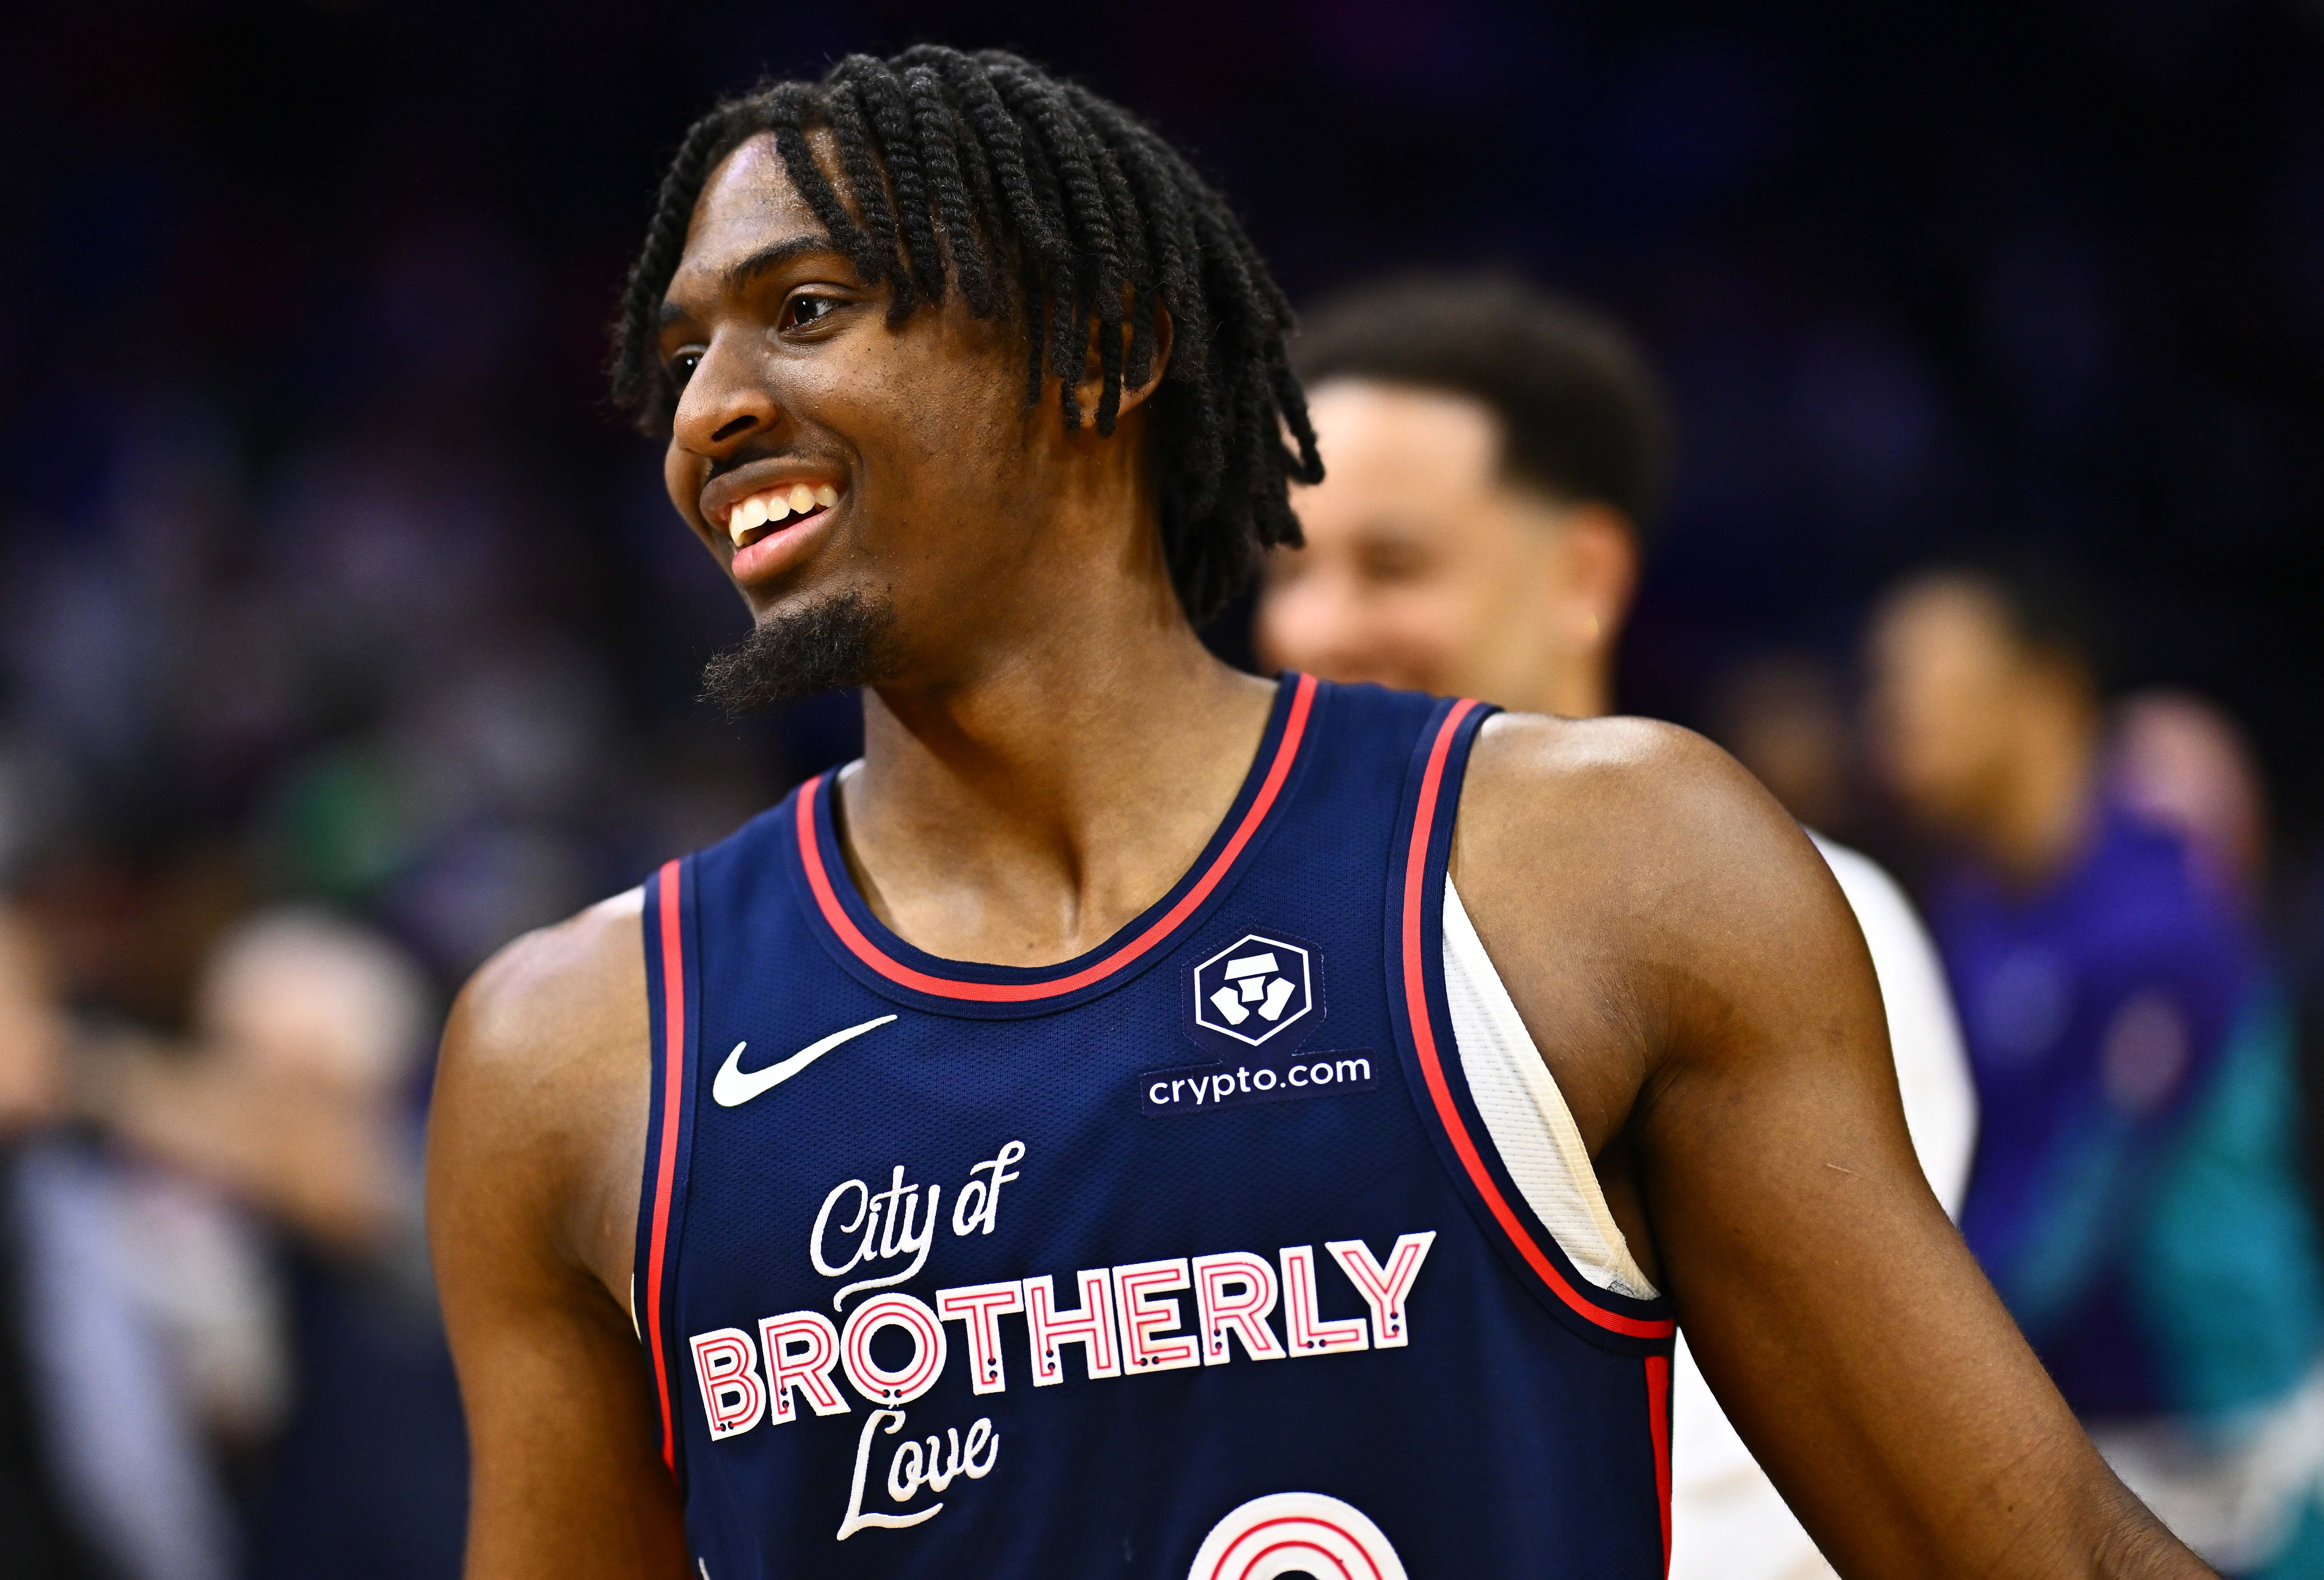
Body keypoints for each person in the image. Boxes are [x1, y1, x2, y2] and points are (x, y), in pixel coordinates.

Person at [426, 47, 2206, 1579]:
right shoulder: (574, 1051)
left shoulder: (1595, 871)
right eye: (681, 358)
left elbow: (2035, 1547)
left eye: (805, 312)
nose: (712, 411)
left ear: (1101, 349)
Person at [1254, 270, 1976, 1580]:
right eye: (1288, 570)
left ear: (1581, 575)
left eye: (1391, 564)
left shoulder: (1806, 918)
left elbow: (1754, 1501)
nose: (1316, 627)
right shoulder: (1242, 951)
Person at [1866, 566, 2324, 1576]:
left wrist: (1864, 1351)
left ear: (2045, 693)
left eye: (1924, 678)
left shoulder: (2161, 929)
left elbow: (2061, 1226)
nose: (1890, 710)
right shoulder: (1973, 906)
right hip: (2080, 1457)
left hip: (2234, 1476)